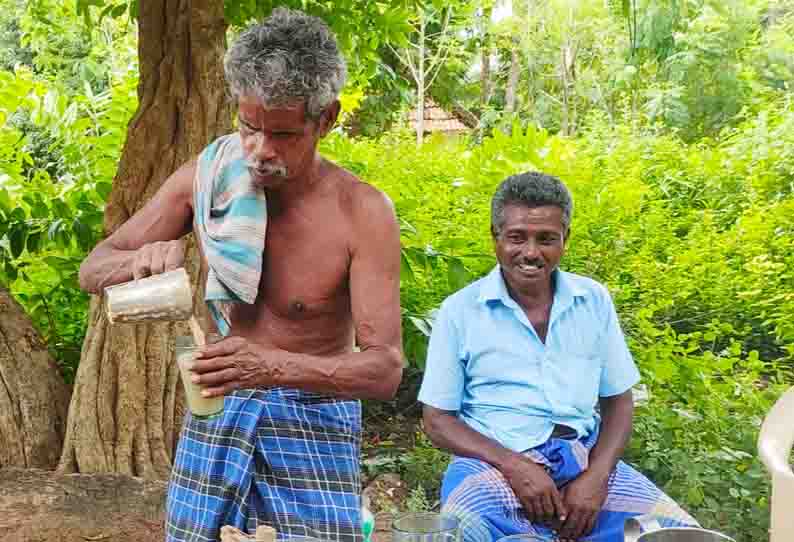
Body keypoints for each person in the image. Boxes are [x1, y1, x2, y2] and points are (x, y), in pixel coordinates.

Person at [78, 9, 403, 542]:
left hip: (313, 424)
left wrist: (269, 367)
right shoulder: (206, 177)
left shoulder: (362, 214)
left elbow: (384, 370)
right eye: (248, 127)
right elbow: (94, 268)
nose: (259, 151)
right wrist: (136, 263)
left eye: (282, 134)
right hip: (217, 414)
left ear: (326, 120)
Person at [417, 172, 697, 542]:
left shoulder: (592, 300)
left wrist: (596, 478)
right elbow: (438, 420)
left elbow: (619, 402)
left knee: (680, 535)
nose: (531, 252)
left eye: (546, 238)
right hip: (492, 464)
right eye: (517, 237)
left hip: (583, 461)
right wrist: (514, 464)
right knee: (466, 529)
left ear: (566, 239)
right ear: (495, 238)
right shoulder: (460, 311)